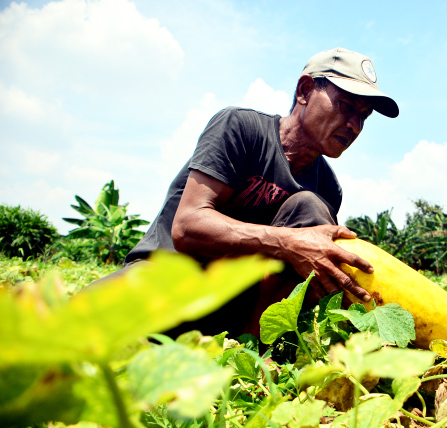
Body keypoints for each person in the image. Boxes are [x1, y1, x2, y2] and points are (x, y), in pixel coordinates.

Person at [99, 47, 399, 338]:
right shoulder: (241, 128)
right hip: (165, 283)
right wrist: (287, 242)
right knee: (67, 336)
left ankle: (255, 351)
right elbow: (188, 225)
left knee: (310, 207)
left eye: (364, 116)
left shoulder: (327, 189)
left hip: (234, 310)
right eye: (347, 106)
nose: (354, 126)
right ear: (305, 91)